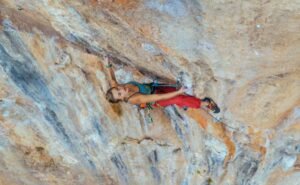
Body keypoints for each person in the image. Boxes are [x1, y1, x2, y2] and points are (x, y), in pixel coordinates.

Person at [104, 56, 220, 113]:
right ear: (121, 98)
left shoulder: (118, 86)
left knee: (176, 88)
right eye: (119, 94)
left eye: (118, 89)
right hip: (156, 100)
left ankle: (185, 103)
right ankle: (205, 103)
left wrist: (108, 64)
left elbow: (112, 79)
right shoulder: (135, 98)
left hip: (152, 88)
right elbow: (159, 97)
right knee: (178, 98)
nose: (121, 89)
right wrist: (178, 93)